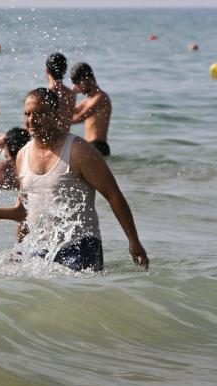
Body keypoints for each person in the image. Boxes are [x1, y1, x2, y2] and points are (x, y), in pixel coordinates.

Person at [16, 88, 148, 271]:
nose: (31, 120)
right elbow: (24, 207)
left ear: (55, 114)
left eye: (39, 113)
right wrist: (20, 248)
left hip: (80, 247)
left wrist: (134, 241)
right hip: (39, 248)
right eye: (27, 114)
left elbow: (113, 195)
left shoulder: (79, 151)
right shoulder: (22, 155)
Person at [70, 62, 112, 156]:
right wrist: (71, 95)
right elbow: (70, 111)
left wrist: (57, 123)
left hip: (99, 146)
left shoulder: (100, 98)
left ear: (87, 79)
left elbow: (80, 117)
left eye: (78, 84)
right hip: (91, 145)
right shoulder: (89, 100)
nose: (78, 88)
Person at [46, 52, 76, 132]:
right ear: (64, 71)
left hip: (50, 141)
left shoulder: (46, 94)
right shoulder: (71, 94)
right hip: (66, 140)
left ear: (47, 71)